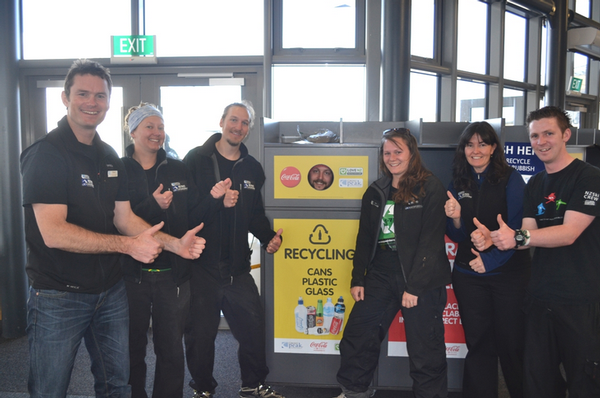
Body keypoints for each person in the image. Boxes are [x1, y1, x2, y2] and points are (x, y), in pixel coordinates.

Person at [20, 59, 206, 398]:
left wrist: (175, 245)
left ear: (109, 101)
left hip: (109, 292)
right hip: (59, 295)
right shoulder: (46, 154)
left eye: (100, 95)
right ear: (65, 98)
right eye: (83, 94)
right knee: (50, 387)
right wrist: (127, 246)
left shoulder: (107, 156)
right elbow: (54, 232)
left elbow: (125, 219)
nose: (92, 102)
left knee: (117, 384)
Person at [473, 106, 600, 398]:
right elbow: (527, 233)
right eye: (534, 136)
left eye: (548, 134)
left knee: (585, 381)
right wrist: (499, 239)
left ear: (566, 135)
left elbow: (569, 233)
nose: (540, 141)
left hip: (581, 300)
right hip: (541, 299)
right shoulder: (536, 183)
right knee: (538, 382)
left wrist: (517, 236)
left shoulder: (589, 177)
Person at [333, 128, 451, 398]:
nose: (392, 157)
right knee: (358, 335)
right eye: (387, 152)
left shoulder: (430, 187)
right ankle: (354, 391)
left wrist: (415, 287)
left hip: (421, 278)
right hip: (380, 274)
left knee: (426, 348)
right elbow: (363, 239)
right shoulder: (376, 191)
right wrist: (358, 279)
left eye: (398, 151)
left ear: (412, 153)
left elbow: (431, 242)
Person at [121, 103, 227, 398]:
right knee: (131, 349)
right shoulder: (119, 170)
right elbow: (118, 222)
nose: (157, 133)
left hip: (174, 277)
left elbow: (193, 215)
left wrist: (214, 198)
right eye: (149, 127)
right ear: (133, 132)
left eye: (160, 127)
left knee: (170, 351)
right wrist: (152, 207)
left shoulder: (178, 168)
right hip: (132, 277)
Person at [183, 101, 284, 398]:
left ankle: (252, 385)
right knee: (200, 337)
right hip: (202, 267)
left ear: (249, 129)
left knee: (253, 329)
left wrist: (267, 238)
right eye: (233, 120)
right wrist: (216, 201)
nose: (238, 127)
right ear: (222, 121)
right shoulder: (195, 160)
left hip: (238, 269)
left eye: (244, 123)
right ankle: (203, 389)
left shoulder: (252, 168)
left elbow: (254, 214)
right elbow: (187, 217)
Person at [444, 122, 530, 398]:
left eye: (482, 144)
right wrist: (455, 218)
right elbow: (455, 235)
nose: (476, 150)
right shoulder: (458, 181)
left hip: (509, 276)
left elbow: (517, 230)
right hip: (469, 277)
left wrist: (490, 261)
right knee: (478, 344)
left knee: (512, 344)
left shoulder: (511, 179)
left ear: (493, 148)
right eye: (470, 144)